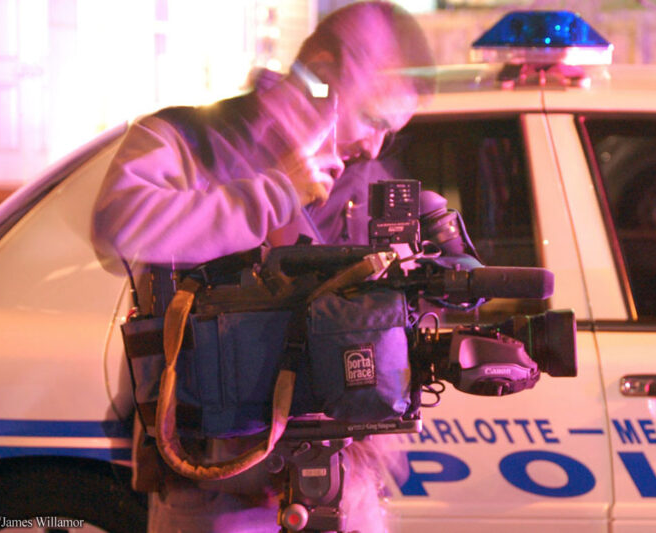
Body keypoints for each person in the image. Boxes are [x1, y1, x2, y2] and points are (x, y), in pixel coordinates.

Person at [91, 2, 435, 531]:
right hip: (217, 491)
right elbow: (118, 223)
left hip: (341, 487)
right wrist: (274, 194)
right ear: (321, 78)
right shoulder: (187, 139)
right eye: (371, 119)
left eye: (388, 132)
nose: (373, 144)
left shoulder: (366, 180)